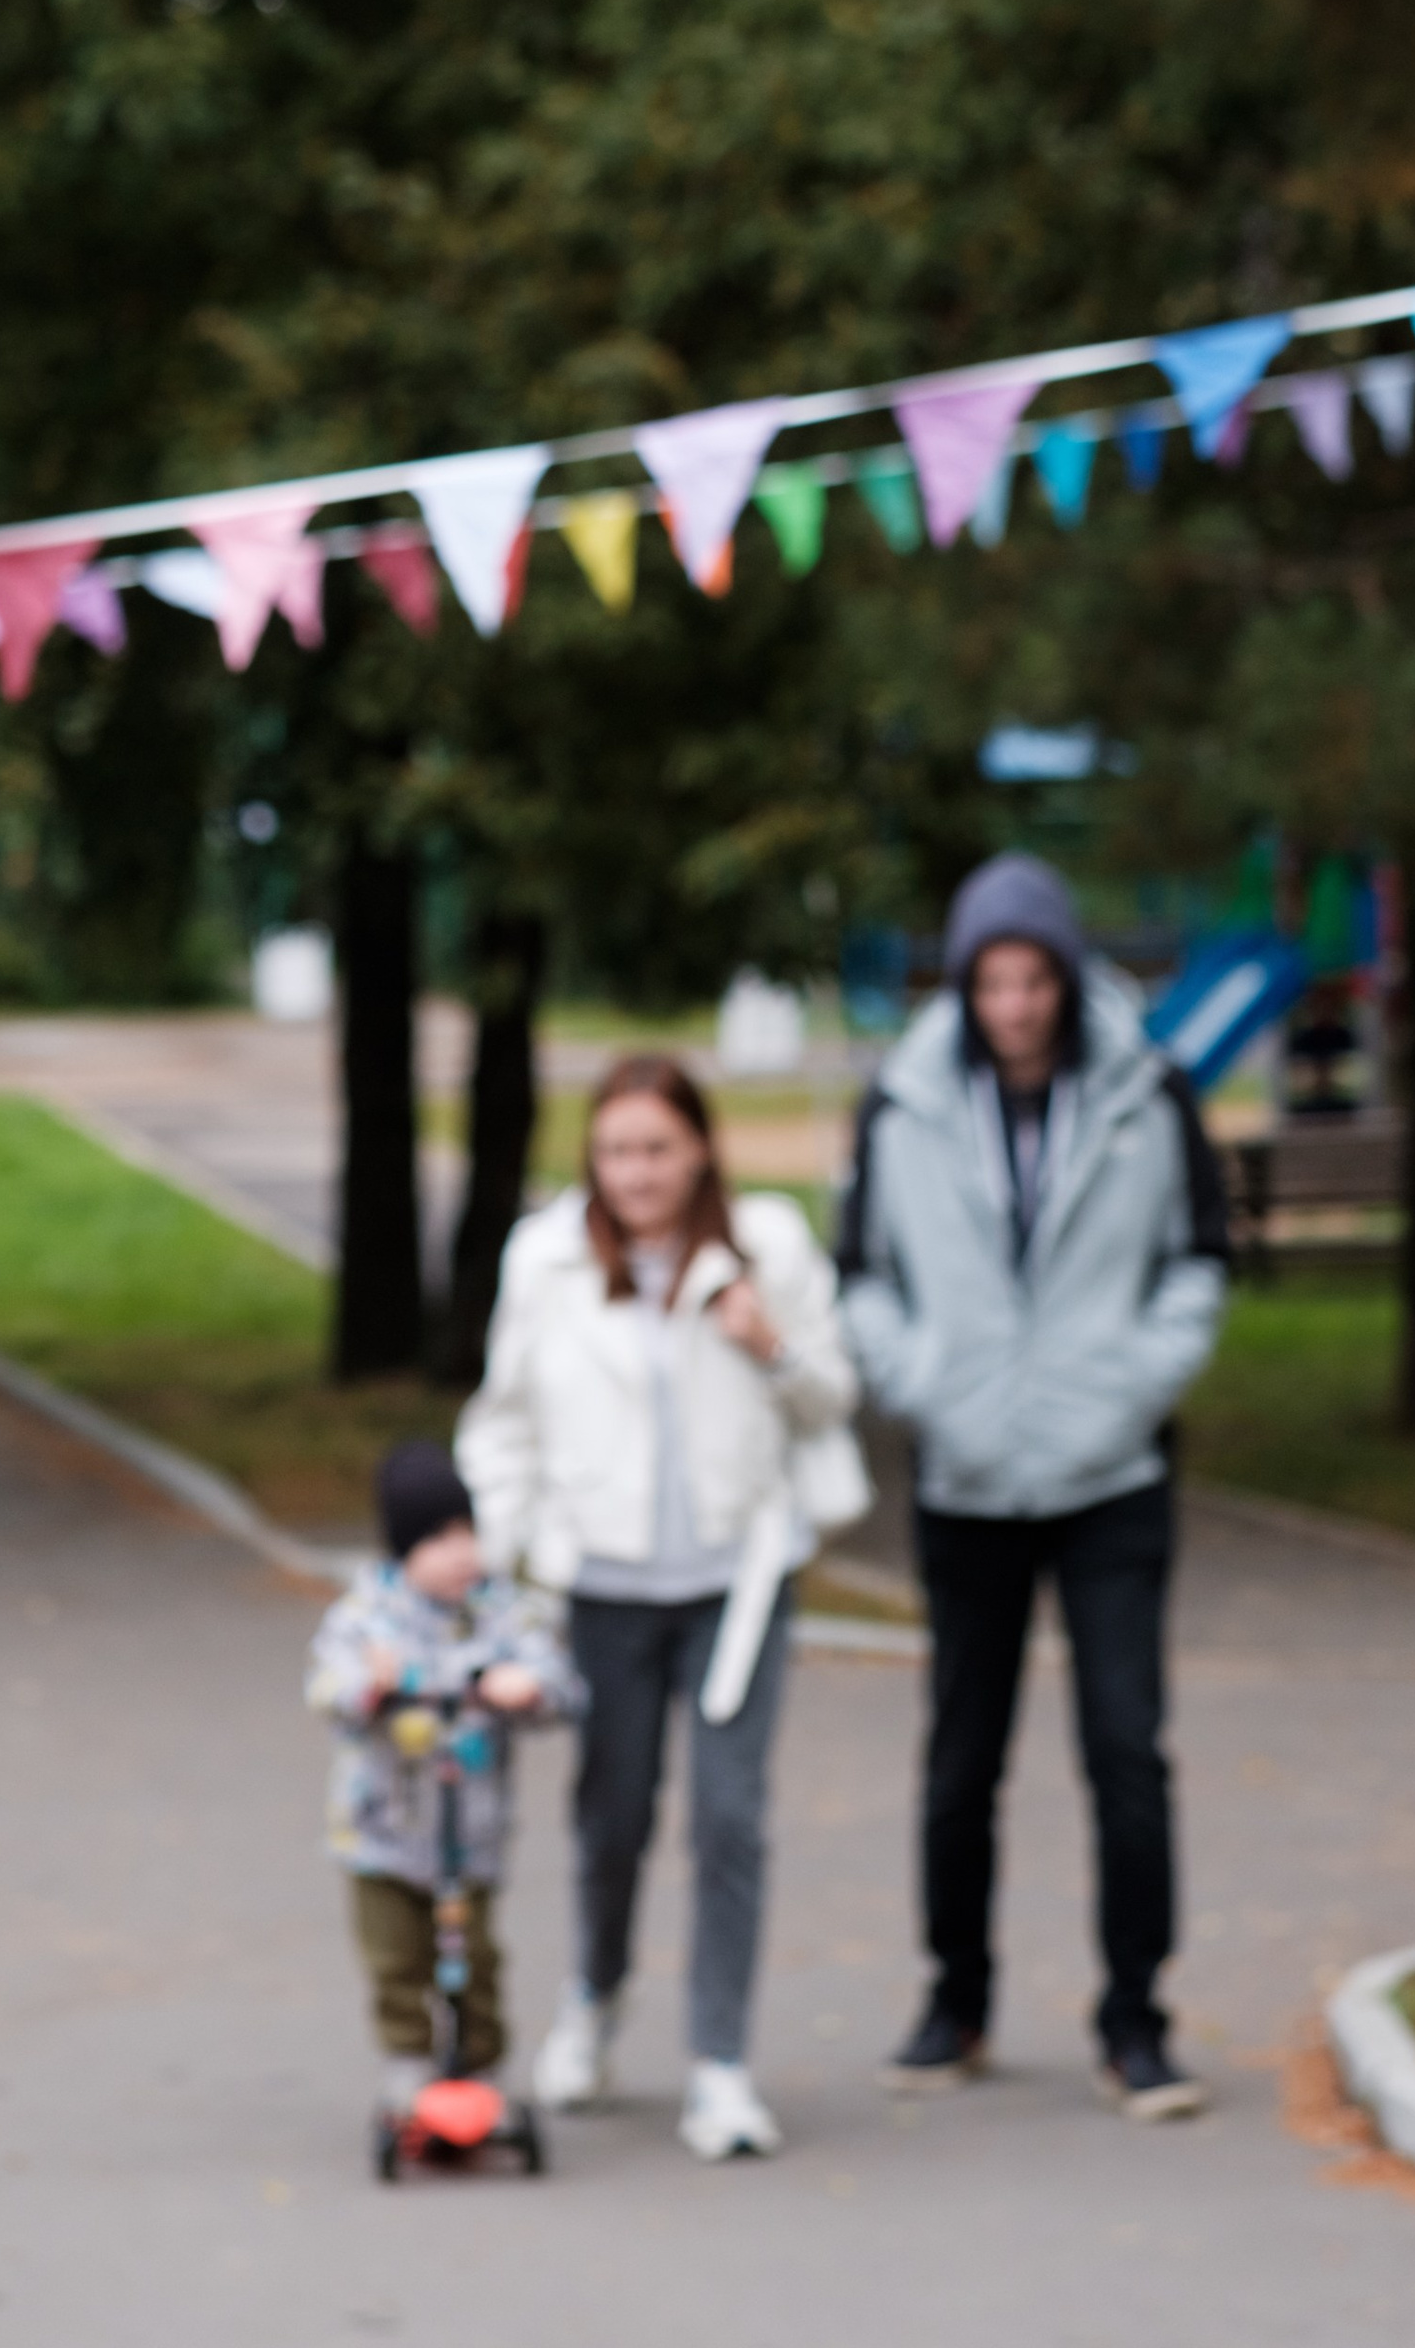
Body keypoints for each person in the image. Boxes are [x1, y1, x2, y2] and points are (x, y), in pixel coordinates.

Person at [838, 852, 1230, 2119]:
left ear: (1064, 979)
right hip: (966, 1478)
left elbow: (1196, 1265)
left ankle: (1135, 2016)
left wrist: (1125, 1387)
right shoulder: (899, 1106)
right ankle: (954, 1998)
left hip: (1110, 1474)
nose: (1014, 1004)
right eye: (991, 981)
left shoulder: (1146, 1096)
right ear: (962, 986)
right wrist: (928, 1388)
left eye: (1034, 978)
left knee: (1125, 1749)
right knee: (962, 1757)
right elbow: (865, 1278)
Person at [458, 1052, 864, 2162]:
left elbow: (835, 1394)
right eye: (615, 1151)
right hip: (604, 1590)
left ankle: (720, 2065)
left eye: (657, 1149)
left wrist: (764, 1341)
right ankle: (593, 1995)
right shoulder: (546, 1261)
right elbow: (502, 1422)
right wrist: (507, 1563)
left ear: (699, 1151)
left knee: (730, 1820)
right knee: (613, 1814)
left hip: (737, 1587)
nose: (636, 1174)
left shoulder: (766, 1248)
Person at [305, 1441, 579, 2116]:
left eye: (468, 1534)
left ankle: (479, 2066)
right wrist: (369, 1688)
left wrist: (528, 1687)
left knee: (475, 1958)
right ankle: (409, 2060)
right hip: (385, 1832)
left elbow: (560, 1683)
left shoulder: (499, 1614)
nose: (461, 1554)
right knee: (396, 1958)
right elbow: (327, 1688)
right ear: (403, 1549)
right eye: (438, 1539)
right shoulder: (369, 1619)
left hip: (470, 1834)